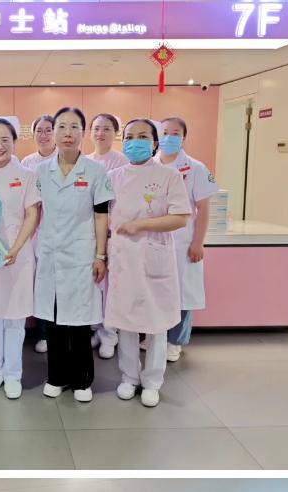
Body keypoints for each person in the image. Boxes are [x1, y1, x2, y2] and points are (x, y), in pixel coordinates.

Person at [105, 118, 190, 408]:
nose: (134, 142)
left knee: (155, 322)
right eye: (129, 137)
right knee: (125, 321)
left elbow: (180, 217)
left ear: (154, 142)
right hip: (122, 257)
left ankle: (153, 381)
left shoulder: (169, 175)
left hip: (153, 255)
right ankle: (129, 377)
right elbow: (104, 216)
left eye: (142, 137)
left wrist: (141, 224)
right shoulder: (114, 176)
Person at [34, 106, 114, 403]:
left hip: (82, 254)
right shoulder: (40, 172)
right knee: (54, 319)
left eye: (74, 127)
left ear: (83, 133)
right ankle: (56, 376)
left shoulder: (95, 171)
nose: (67, 133)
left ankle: (82, 379)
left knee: (80, 321)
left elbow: (101, 216)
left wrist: (101, 255)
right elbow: (32, 213)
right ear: (53, 132)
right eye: (62, 127)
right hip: (51, 253)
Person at [0, 117, 39, 399]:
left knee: (15, 317)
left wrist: (16, 247)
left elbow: (32, 214)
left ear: (14, 142)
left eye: (5, 140)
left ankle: (14, 373)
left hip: (18, 255)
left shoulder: (26, 175)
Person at [157, 116, 220, 362]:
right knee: (158, 290)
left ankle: (175, 341)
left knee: (183, 293)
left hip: (183, 241)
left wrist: (197, 242)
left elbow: (203, 209)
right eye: (165, 132)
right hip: (156, 240)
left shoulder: (195, 168)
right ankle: (157, 336)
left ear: (184, 138)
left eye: (175, 133)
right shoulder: (151, 164)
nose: (169, 137)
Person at [87, 113, 128, 362]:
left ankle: (110, 335)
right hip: (90, 234)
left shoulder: (122, 162)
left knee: (112, 287)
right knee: (95, 284)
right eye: (96, 128)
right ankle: (96, 329)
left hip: (114, 234)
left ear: (115, 133)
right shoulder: (85, 162)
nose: (100, 133)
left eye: (106, 129)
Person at [21, 114, 57, 355]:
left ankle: (56, 332)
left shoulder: (64, 159)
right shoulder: (27, 162)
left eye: (48, 130)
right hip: (32, 231)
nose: (43, 135)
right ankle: (42, 333)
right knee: (38, 284)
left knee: (54, 284)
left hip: (57, 231)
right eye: (39, 131)